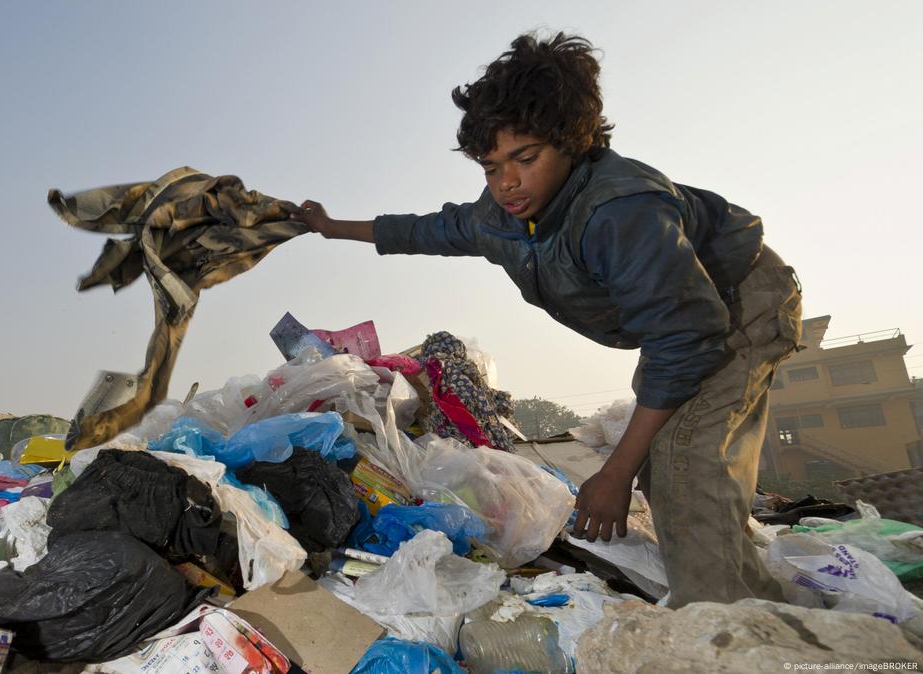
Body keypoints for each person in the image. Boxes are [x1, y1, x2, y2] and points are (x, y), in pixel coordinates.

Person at [290, 31, 803, 608]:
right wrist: (335, 228)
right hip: (681, 322)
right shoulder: (504, 217)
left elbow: (683, 344)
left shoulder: (619, 209)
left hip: (737, 305)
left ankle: (732, 628)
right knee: (672, 468)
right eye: (490, 166)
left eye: (524, 159)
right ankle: (764, 608)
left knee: (686, 472)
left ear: (572, 143)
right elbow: (425, 229)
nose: (505, 181)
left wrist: (614, 474)